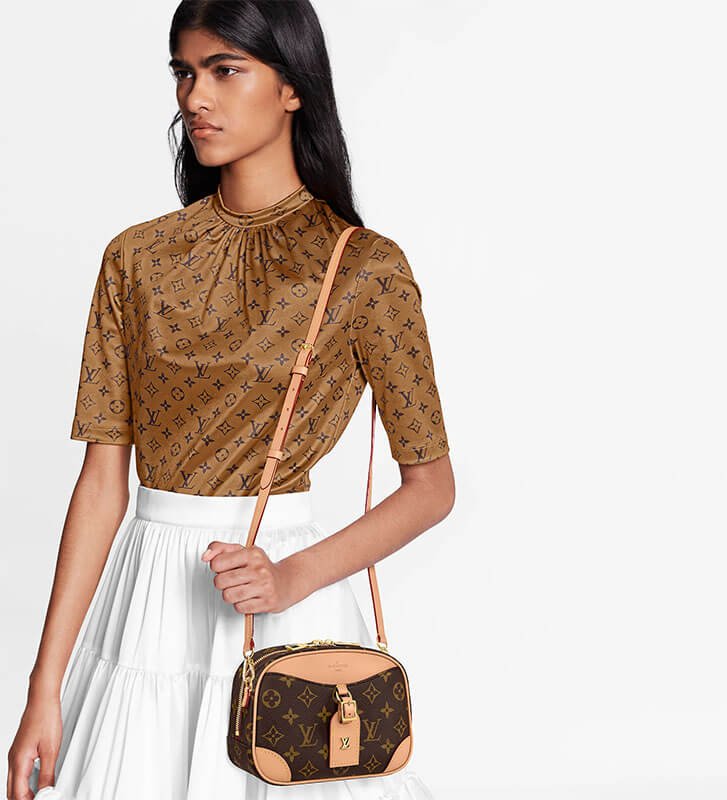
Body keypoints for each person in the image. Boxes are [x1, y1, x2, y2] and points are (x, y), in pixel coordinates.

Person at [6, 2, 455, 798]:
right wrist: (45, 687)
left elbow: (432, 487)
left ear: (293, 87)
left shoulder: (366, 270)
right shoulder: (136, 259)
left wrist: (292, 577)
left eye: (224, 70)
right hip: (144, 606)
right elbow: (103, 484)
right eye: (184, 72)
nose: (195, 97)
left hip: (285, 598)